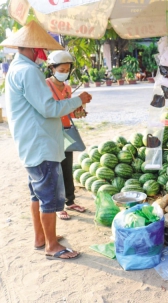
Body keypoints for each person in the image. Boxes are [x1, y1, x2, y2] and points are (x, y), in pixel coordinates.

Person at [1, 20, 92, 260]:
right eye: (41, 49)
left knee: (37, 194)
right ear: (33, 48)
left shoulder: (16, 69)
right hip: (40, 144)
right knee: (50, 196)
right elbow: (49, 108)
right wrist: (79, 99)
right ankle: (52, 246)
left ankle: (41, 237)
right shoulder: (28, 71)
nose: (43, 55)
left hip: (30, 142)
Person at [46, 50, 87, 220]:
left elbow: (69, 110)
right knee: (55, 170)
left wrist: (79, 112)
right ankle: (58, 205)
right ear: (52, 68)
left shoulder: (68, 88)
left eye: (67, 70)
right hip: (52, 133)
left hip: (66, 130)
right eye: (61, 70)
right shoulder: (45, 86)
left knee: (67, 167)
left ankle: (70, 201)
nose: (64, 73)